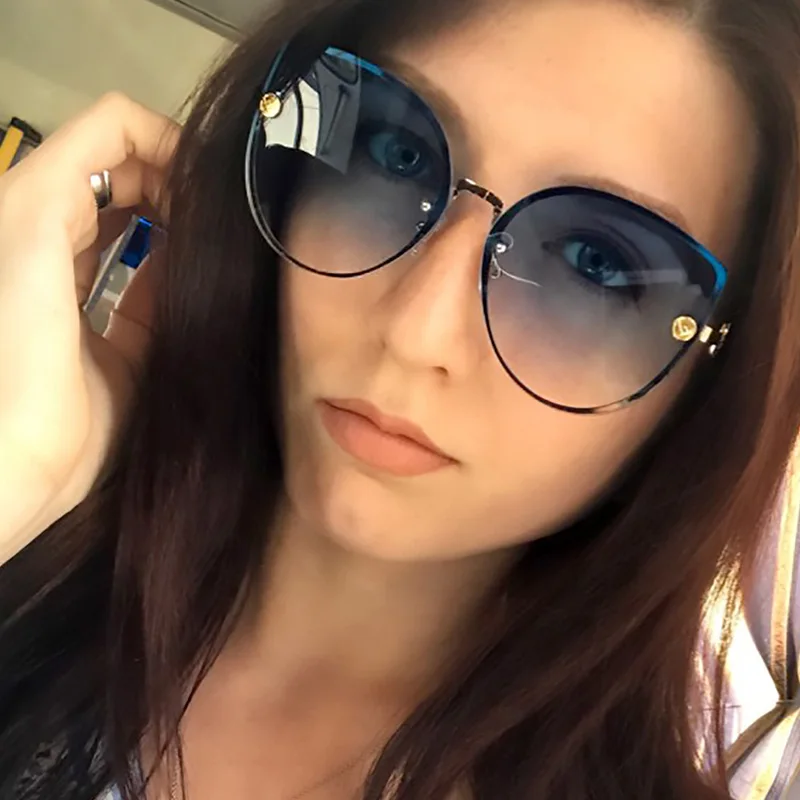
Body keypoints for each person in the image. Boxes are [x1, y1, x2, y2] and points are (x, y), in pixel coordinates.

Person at [1, 0, 800, 797]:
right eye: (398, 155)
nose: (416, 332)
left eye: (597, 264)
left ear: (713, 383)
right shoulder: (34, 553)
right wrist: (18, 468)